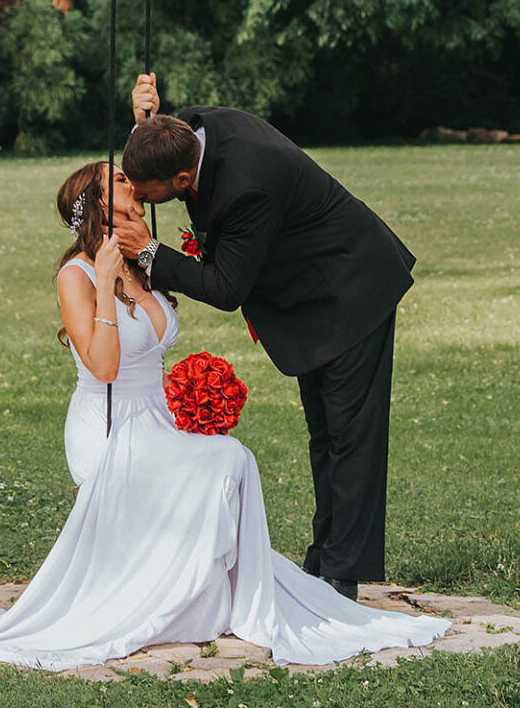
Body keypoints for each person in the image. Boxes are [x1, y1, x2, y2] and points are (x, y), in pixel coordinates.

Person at [0, 160, 447, 672]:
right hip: (110, 427)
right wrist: (105, 285)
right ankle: (185, 600)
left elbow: (177, 297)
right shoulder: (77, 277)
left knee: (230, 463)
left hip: (157, 423)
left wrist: (138, 266)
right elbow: (106, 367)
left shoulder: (143, 263)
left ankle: (212, 599)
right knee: (229, 459)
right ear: (96, 205)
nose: (132, 181)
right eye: (118, 179)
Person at [113, 74, 418, 601]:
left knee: (351, 436)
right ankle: (325, 559)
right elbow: (162, 149)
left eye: (145, 192)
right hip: (310, 293)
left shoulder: (248, 182)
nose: (136, 199)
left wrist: (151, 253)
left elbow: (228, 286)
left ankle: (342, 578)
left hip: (350, 288)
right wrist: (144, 124)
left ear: (184, 178)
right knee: (325, 434)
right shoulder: (190, 129)